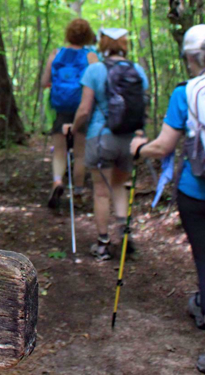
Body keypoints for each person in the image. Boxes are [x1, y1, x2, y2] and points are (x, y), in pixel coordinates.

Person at [129, 25, 205, 375]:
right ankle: (204, 300)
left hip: (199, 195)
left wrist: (137, 149)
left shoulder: (186, 92)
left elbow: (163, 147)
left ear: (189, 57)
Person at [63, 28, 148, 260]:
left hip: (101, 137)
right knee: (120, 186)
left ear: (103, 43)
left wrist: (73, 127)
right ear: (124, 44)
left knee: (101, 192)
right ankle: (123, 231)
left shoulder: (95, 70)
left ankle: (102, 244)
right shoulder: (137, 70)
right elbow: (141, 105)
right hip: (130, 139)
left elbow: (84, 109)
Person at [41, 19, 98, 209]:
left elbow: (44, 81)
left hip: (60, 107)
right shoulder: (91, 56)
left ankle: (57, 181)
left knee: (59, 151)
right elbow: (99, 84)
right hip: (82, 107)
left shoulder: (56, 53)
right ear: (88, 35)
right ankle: (78, 192)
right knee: (80, 153)